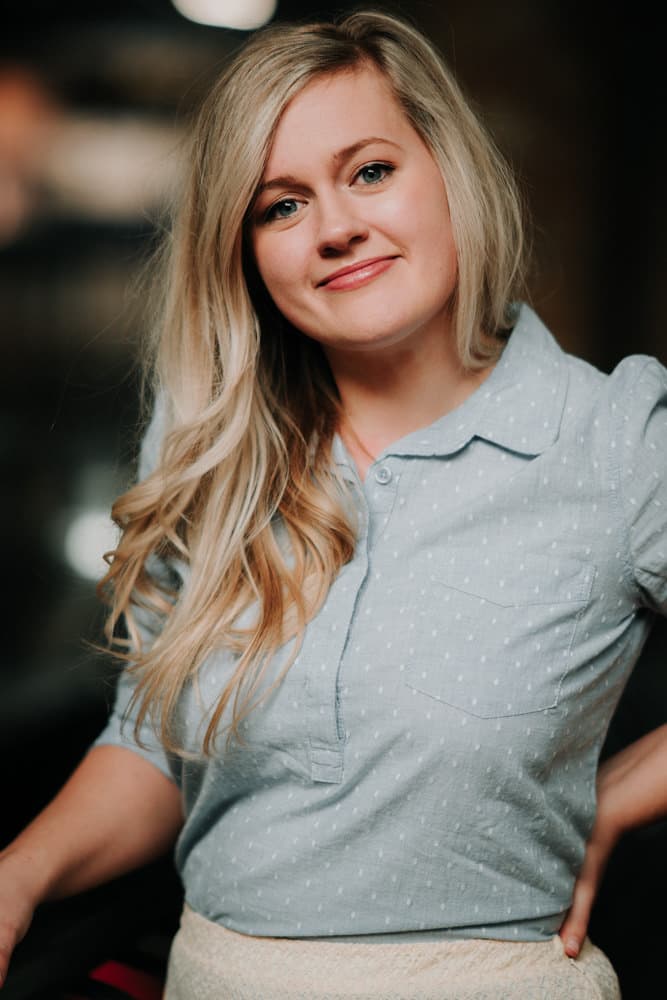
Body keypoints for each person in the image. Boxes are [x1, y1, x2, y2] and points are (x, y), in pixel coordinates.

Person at [1, 8, 666, 998]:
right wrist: (16, 875)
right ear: (246, 253)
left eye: (369, 171)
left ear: (449, 170)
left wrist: (616, 795)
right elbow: (154, 744)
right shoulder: (210, 447)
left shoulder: (610, 436)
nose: (335, 227)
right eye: (280, 205)